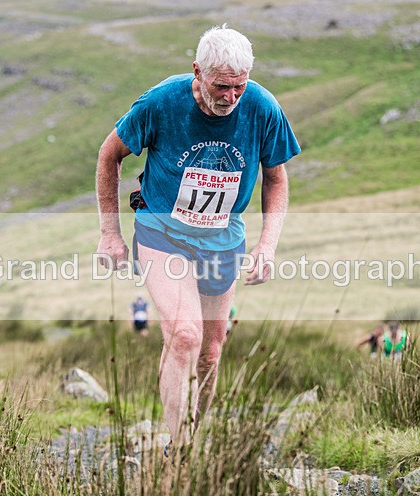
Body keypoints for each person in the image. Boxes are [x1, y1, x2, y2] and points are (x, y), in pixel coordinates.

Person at [95, 25, 300, 450]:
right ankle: (182, 449)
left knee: (210, 352)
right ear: (197, 72)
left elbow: (276, 180)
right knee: (184, 333)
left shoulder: (261, 106)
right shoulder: (161, 102)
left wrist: (268, 244)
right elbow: (108, 154)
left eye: (238, 88)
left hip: (223, 239)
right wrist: (109, 233)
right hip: (161, 231)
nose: (230, 98)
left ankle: (193, 435)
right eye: (221, 86)